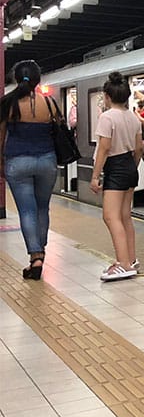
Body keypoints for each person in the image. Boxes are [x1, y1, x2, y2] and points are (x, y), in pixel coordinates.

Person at [0, 60, 59, 280]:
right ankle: (40, 254)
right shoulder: (50, 103)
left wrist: (1, 163)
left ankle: (35, 254)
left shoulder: (8, 104)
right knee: (42, 208)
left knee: (27, 211)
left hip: (17, 161)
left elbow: (1, 136)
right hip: (46, 161)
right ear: (38, 80)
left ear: (17, 79)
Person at [90, 72, 144, 281]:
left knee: (110, 216)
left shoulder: (107, 117)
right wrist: (133, 166)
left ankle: (123, 263)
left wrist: (95, 177)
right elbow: (139, 148)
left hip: (115, 167)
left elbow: (103, 149)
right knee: (124, 216)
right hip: (130, 165)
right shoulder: (133, 117)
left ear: (107, 96)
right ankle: (131, 259)